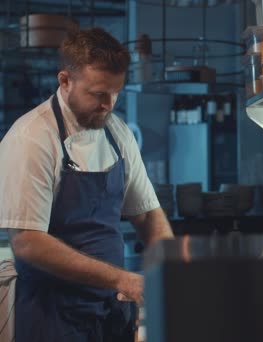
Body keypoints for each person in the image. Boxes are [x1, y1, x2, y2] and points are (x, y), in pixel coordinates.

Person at [0, 27, 174, 341]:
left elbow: (148, 215)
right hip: (52, 315)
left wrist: (171, 272)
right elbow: (27, 241)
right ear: (65, 80)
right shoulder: (32, 137)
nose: (109, 104)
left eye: (116, 92)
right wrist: (121, 279)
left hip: (111, 313)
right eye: (97, 94)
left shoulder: (117, 131)